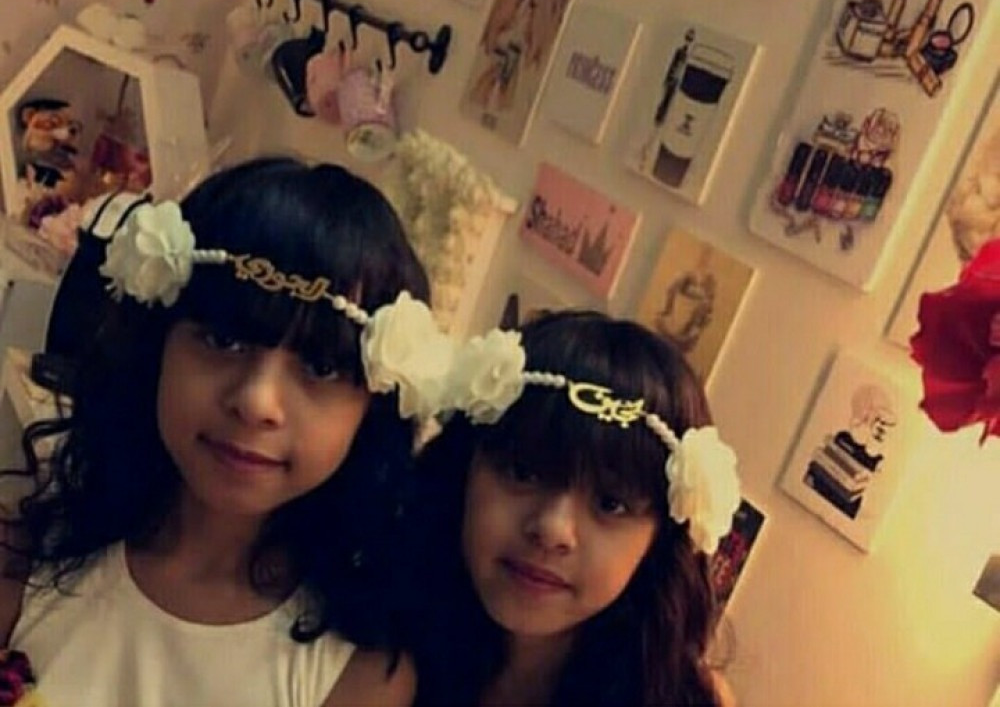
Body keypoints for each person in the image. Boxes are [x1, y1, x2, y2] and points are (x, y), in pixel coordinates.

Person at [0, 156, 447, 707]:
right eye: (223, 340)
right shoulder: (24, 558)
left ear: (371, 410)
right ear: (158, 346)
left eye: (320, 367)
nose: (256, 402)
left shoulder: (357, 675)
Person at [411, 309, 741, 707]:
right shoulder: (368, 643)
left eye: (610, 503)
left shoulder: (682, 698)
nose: (552, 529)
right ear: (465, 468)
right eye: (523, 472)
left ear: (659, 541)